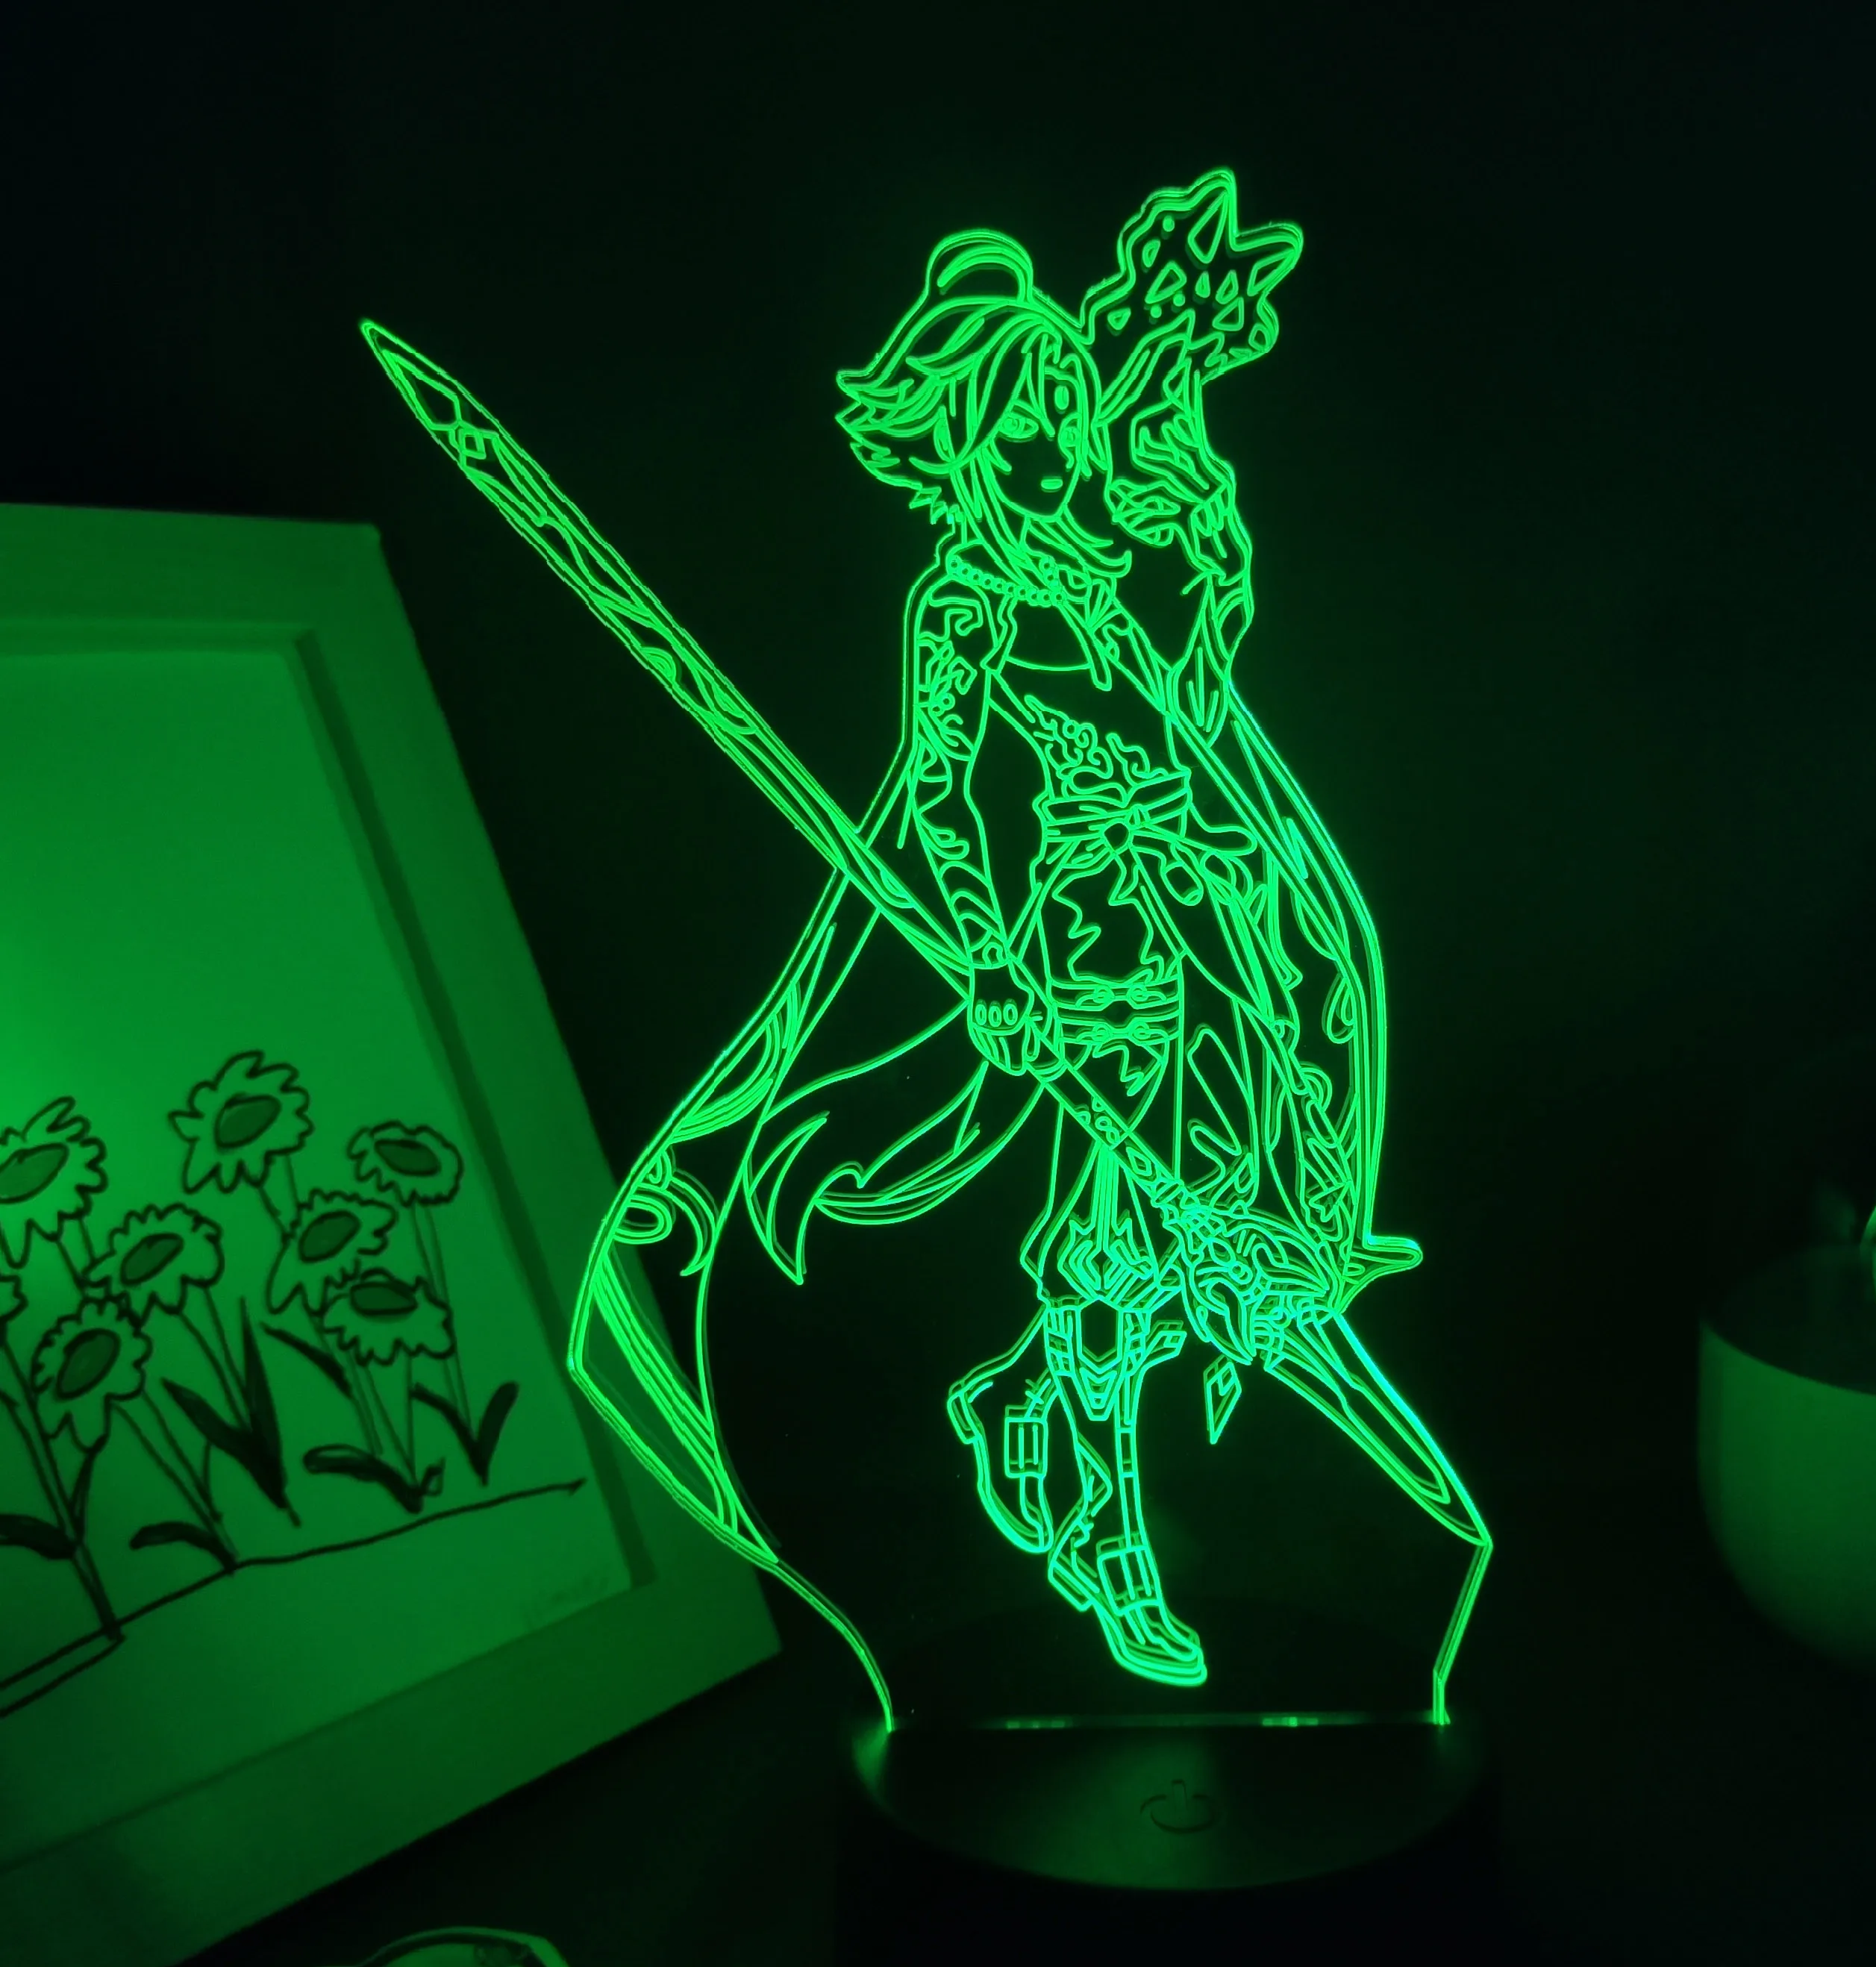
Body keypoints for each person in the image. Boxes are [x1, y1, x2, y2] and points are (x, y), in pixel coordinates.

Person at [577, 173, 1490, 1709]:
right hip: (1088, 936)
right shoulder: (964, 605)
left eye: (1063, 405)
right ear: (956, 436)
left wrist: (1206, 549)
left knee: (1195, 1219)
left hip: (1203, 926)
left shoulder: (1095, 574)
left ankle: (1038, 1404)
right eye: (1022, 419)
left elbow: (1193, 710)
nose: (1057, 440)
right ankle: (1112, 1540)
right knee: (1128, 1244)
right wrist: (999, 966)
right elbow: (938, 800)